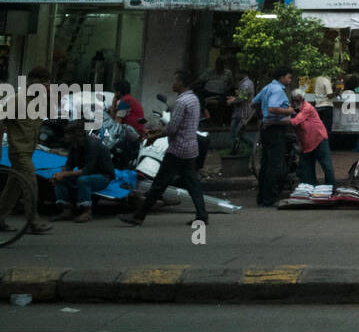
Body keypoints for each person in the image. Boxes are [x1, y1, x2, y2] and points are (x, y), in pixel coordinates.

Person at [120, 71, 209, 227]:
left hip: (178, 148)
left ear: (181, 83)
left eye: (175, 80)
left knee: (159, 184)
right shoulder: (193, 99)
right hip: (190, 147)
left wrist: (153, 137)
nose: (172, 83)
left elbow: (172, 129)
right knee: (193, 183)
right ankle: (202, 215)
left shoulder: (181, 102)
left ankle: (139, 216)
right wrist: (155, 133)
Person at [0, 68, 53, 234]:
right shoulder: (17, 100)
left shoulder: (40, 100)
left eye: (48, 83)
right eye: (43, 83)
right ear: (32, 82)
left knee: (13, 188)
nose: (46, 86)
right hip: (19, 152)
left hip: (29, 151)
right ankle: (33, 221)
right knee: (31, 184)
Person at [50, 121, 114, 223]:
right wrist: (60, 174)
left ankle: (86, 211)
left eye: (68, 134)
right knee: (60, 179)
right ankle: (66, 210)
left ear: (77, 134)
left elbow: (88, 170)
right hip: (87, 175)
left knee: (83, 180)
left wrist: (65, 174)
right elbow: (69, 165)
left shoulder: (92, 145)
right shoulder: (74, 146)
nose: (65, 136)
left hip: (103, 177)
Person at [252, 67, 294, 207]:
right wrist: (288, 110)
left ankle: (262, 197)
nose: (290, 80)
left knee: (266, 163)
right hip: (275, 129)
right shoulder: (277, 90)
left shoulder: (267, 87)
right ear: (281, 77)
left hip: (267, 128)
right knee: (274, 165)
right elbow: (272, 108)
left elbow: (254, 103)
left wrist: (262, 117)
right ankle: (269, 198)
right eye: (288, 77)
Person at [288, 89, 335, 191]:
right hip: (307, 142)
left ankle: (331, 188)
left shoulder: (307, 108)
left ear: (301, 99)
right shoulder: (297, 108)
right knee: (307, 167)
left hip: (318, 138)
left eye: (297, 100)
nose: (295, 102)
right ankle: (310, 187)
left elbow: (295, 121)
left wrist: (282, 119)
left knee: (326, 165)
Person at [227, 72, 255, 155]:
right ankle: (240, 149)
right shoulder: (245, 83)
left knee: (236, 132)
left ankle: (252, 146)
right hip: (241, 112)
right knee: (237, 132)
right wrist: (235, 98)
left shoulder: (246, 84)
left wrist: (233, 101)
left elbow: (242, 98)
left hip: (243, 112)